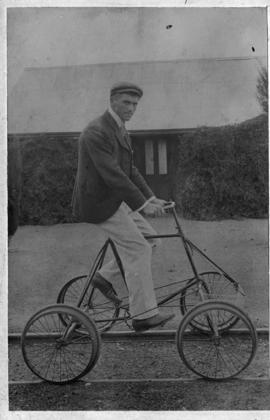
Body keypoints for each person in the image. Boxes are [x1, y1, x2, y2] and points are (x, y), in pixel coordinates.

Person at [72, 82, 174, 331]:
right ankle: (142, 316)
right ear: (113, 101)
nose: (132, 108)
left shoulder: (119, 129)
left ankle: (103, 276)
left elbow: (130, 170)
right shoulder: (96, 132)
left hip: (113, 200)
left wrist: (150, 199)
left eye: (135, 104)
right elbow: (113, 175)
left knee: (152, 240)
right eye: (127, 103)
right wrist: (141, 204)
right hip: (97, 203)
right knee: (138, 249)